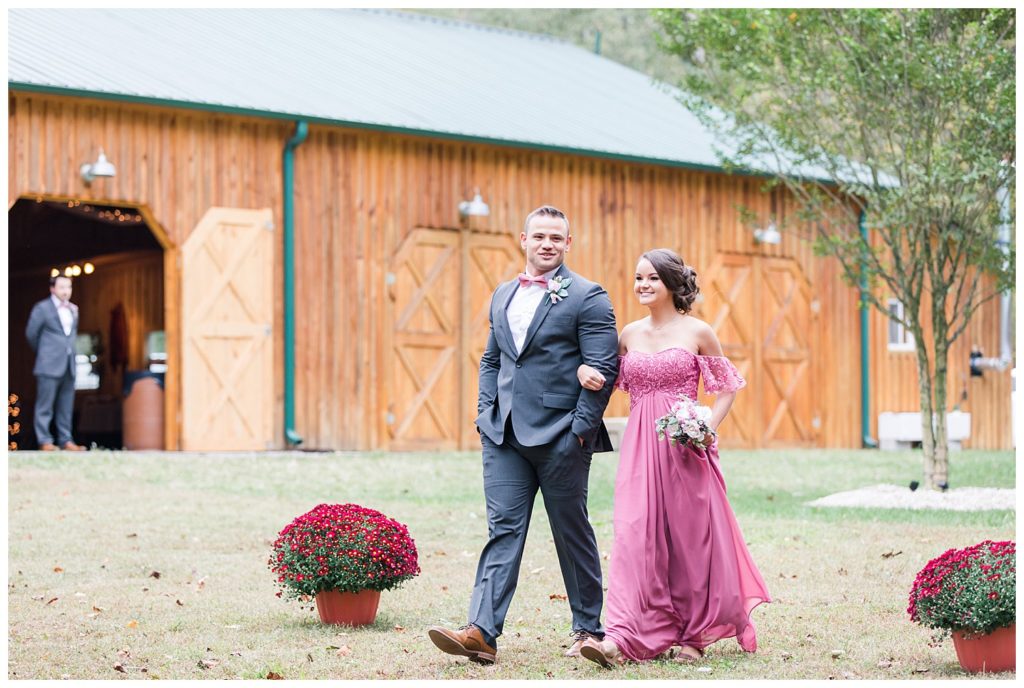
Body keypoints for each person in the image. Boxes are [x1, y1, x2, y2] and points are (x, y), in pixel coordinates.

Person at [428, 205, 619, 664]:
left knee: (571, 532)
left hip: (561, 437)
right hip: (503, 437)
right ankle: (481, 633)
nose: (547, 243)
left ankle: (589, 630)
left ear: (568, 243)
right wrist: (485, 415)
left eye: (557, 237)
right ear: (523, 239)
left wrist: (579, 430)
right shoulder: (502, 293)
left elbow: (604, 367)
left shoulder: (588, 296)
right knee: (503, 530)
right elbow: (493, 359)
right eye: (539, 236)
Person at [576, 248, 770, 668]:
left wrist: (707, 426)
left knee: (688, 541)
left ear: (671, 284)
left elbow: (727, 386)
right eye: (638, 278)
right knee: (634, 536)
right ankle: (623, 635)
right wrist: (581, 373)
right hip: (639, 448)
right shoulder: (627, 334)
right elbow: (604, 381)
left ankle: (694, 634)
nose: (642, 285)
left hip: (684, 448)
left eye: (652, 279)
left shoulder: (698, 331)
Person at [25, 274, 85, 452]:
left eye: (69, 287)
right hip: (48, 364)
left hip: (68, 364)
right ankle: (45, 440)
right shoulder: (42, 308)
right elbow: (31, 335)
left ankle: (66, 440)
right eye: (62, 287)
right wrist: (45, 354)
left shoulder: (74, 309)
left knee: (66, 405)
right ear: (52, 288)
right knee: (45, 405)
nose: (66, 291)